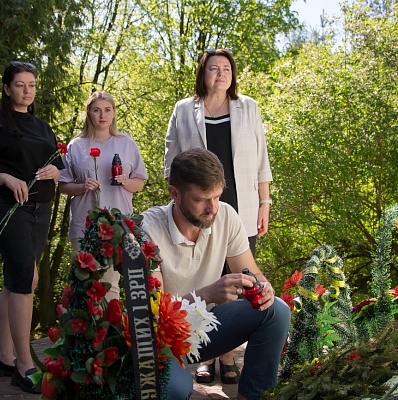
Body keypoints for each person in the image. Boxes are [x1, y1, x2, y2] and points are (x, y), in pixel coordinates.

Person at [141, 148, 290, 400]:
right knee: (174, 390)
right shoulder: (147, 229)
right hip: (163, 338)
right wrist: (208, 294)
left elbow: (253, 271)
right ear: (174, 193)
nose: (212, 208)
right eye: (201, 199)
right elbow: (153, 313)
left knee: (276, 310)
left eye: (217, 196)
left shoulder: (226, 215)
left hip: (209, 327)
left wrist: (264, 287)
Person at [164, 48, 273, 384]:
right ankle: (205, 354)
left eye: (226, 68)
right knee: (205, 276)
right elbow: (171, 159)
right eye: (214, 68)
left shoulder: (248, 107)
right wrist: (178, 199)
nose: (221, 73)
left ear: (232, 74)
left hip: (240, 202)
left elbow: (261, 158)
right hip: (199, 204)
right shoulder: (184, 109)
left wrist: (265, 201)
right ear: (203, 73)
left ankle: (226, 351)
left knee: (237, 275)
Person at [0, 61, 63, 394]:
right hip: (7, 208)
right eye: (20, 85)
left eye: (31, 85)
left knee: (18, 279)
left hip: (40, 210)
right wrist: (5, 177)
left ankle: (4, 357)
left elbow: (58, 167)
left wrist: (55, 173)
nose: (27, 91)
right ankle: (24, 364)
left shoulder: (43, 127)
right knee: (25, 278)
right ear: (7, 88)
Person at [59, 91, 148, 300]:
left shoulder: (126, 143)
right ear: (89, 113)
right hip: (85, 223)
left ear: (114, 113)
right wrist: (82, 187)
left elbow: (139, 183)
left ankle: (111, 321)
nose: (102, 115)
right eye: (97, 110)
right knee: (85, 282)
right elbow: (63, 186)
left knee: (110, 283)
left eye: (107, 110)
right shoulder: (76, 146)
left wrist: (126, 181)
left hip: (117, 223)